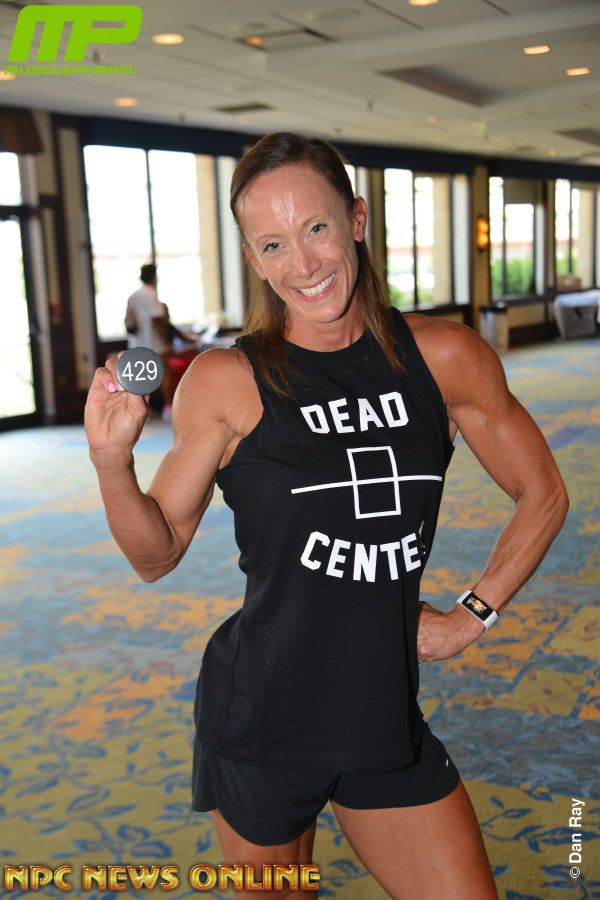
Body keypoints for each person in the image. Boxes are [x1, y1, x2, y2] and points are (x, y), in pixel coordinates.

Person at [85, 132, 568, 899]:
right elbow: (157, 552)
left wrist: (473, 615)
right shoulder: (228, 379)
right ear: (254, 259)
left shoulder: (443, 357)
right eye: (273, 244)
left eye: (315, 228)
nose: (303, 264)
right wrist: (112, 463)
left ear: (357, 220)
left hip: (382, 712)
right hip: (262, 718)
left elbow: (544, 492)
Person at [124, 263, 168, 356]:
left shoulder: (133, 296)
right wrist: (165, 340)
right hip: (153, 345)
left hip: (135, 345)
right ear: (153, 276)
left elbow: (128, 321)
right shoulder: (151, 293)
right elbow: (157, 318)